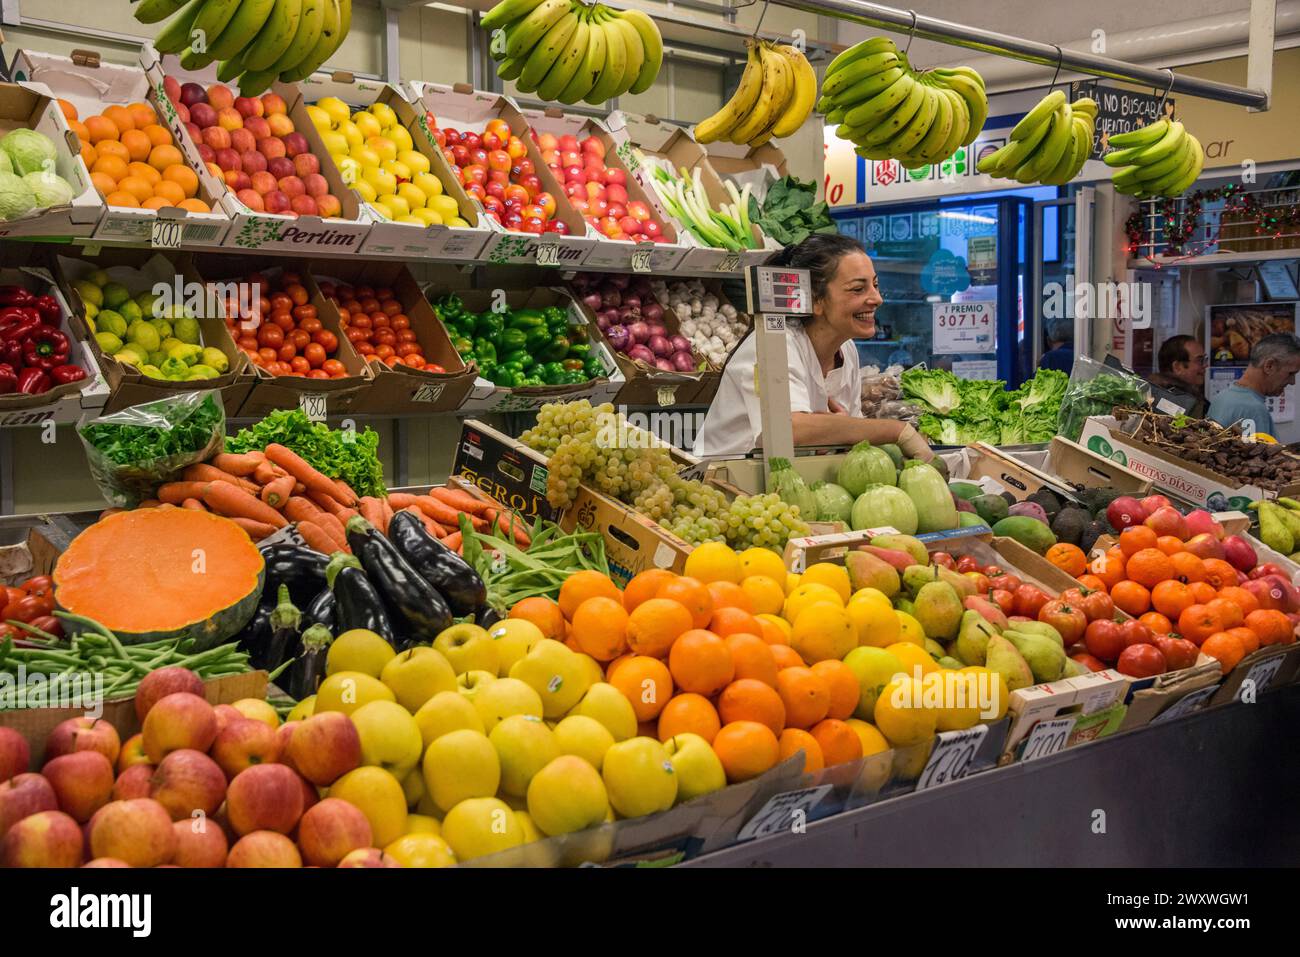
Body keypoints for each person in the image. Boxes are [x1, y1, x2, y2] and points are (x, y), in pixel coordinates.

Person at [693, 234, 933, 460]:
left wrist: (840, 429)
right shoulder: (774, 344)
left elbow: (847, 430)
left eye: (875, 285)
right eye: (858, 289)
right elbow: (789, 428)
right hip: (724, 483)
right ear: (816, 299)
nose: (877, 298)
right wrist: (898, 431)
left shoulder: (846, 350)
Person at [1206, 333, 1300, 437]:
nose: (1292, 381)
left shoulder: (1222, 397)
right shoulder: (1253, 409)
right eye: (1290, 373)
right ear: (1269, 366)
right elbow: (1256, 453)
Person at [1148, 334, 1207, 418]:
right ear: (1177, 367)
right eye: (1200, 360)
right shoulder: (1170, 402)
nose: (1205, 365)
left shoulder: (1155, 395)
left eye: (1205, 359)